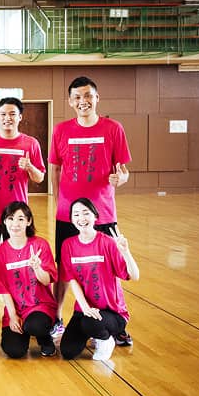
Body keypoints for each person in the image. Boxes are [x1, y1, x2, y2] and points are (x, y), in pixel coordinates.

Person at [49, 76, 132, 342]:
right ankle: (57, 318)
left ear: (97, 98)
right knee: (64, 268)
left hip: (103, 213)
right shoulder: (61, 130)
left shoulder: (113, 128)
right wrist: (59, 201)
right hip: (68, 215)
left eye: (87, 96)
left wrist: (122, 178)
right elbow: (55, 168)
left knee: (110, 267)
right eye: (77, 97)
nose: (83, 101)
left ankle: (116, 322)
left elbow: (123, 170)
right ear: (70, 101)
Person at [59, 198, 140, 361]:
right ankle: (94, 332)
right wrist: (85, 307)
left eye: (86, 213)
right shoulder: (68, 245)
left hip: (112, 312)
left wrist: (126, 252)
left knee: (90, 323)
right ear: (72, 219)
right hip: (85, 310)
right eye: (76, 214)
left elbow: (134, 276)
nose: (81, 218)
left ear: (95, 216)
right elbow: (72, 280)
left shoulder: (107, 242)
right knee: (67, 351)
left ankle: (105, 339)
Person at [0, 97, 45, 278]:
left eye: (12, 114)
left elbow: (40, 177)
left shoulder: (31, 143)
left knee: (15, 262)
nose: (8, 118)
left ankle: (14, 297)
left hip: (17, 216)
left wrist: (30, 167)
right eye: (3, 114)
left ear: (20, 117)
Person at [0, 201, 57, 358]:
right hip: (17, 309)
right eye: (11, 218)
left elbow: (47, 280)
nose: (15, 224)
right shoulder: (0, 252)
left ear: (28, 221)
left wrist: (37, 268)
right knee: (14, 351)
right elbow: (3, 288)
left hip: (39, 306)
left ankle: (44, 338)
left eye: (21, 219)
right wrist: (13, 316)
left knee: (35, 325)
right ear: (5, 221)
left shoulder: (40, 245)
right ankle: (25, 331)